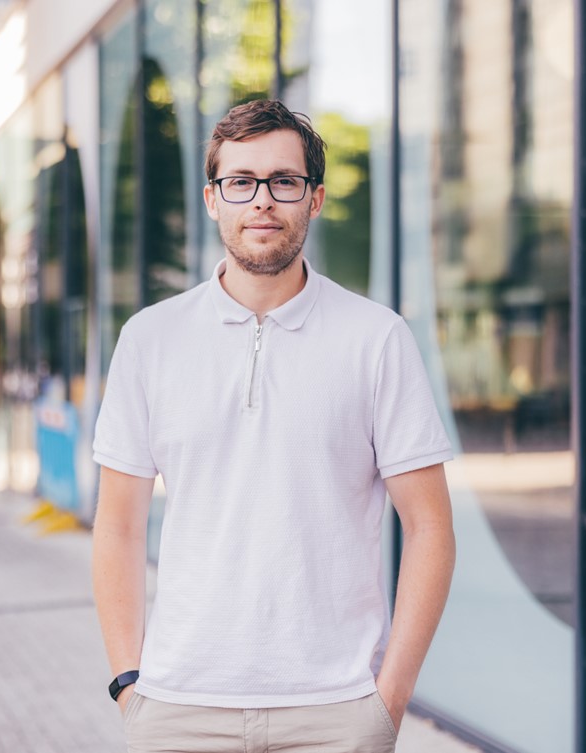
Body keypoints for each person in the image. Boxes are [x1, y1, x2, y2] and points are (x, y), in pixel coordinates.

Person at [91, 99, 455, 753]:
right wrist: (129, 682)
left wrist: (387, 701)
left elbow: (429, 527)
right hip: (179, 707)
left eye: (283, 181)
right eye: (241, 182)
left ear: (312, 199)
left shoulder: (375, 338)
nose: (261, 200)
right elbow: (116, 524)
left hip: (335, 711)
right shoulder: (149, 339)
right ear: (212, 198)